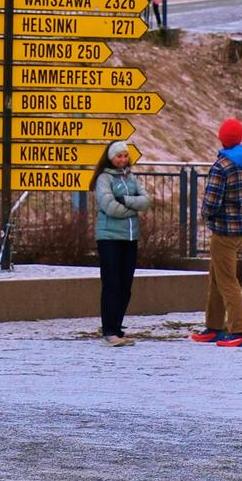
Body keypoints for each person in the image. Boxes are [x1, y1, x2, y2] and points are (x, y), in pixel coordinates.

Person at [192, 117, 242, 347]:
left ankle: (238, 331)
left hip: (223, 231)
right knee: (216, 279)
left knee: (227, 281)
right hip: (239, 227)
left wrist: (206, 216)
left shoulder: (221, 166)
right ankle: (214, 326)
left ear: (222, 138)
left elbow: (211, 201)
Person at [91, 140, 151, 346]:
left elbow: (146, 200)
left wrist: (125, 200)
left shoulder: (131, 177)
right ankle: (109, 330)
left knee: (125, 286)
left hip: (130, 237)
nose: (123, 159)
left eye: (125, 156)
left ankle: (117, 328)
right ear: (110, 157)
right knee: (112, 284)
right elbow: (109, 207)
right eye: (119, 156)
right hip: (109, 238)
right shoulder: (103, 179)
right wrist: (134, 209)